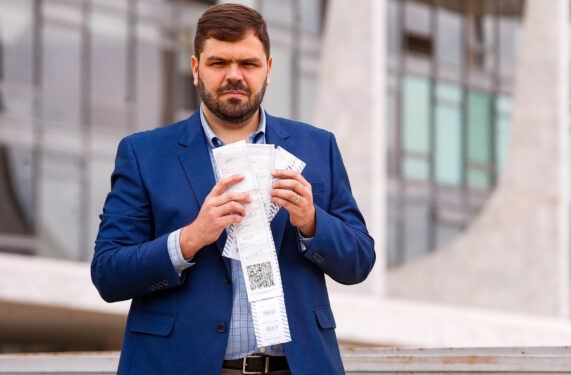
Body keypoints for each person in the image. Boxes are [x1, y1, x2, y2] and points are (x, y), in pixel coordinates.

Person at [91, 4, 375, 375]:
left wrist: (311, 222)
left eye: (248, 64)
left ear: (269, 70)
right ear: (196, 69)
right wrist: (190, 238)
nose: (234, 75)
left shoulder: (317, 147)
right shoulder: (144, 154)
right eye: (218, 63)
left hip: (297, 367)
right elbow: (108, 273)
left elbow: (359, 261)